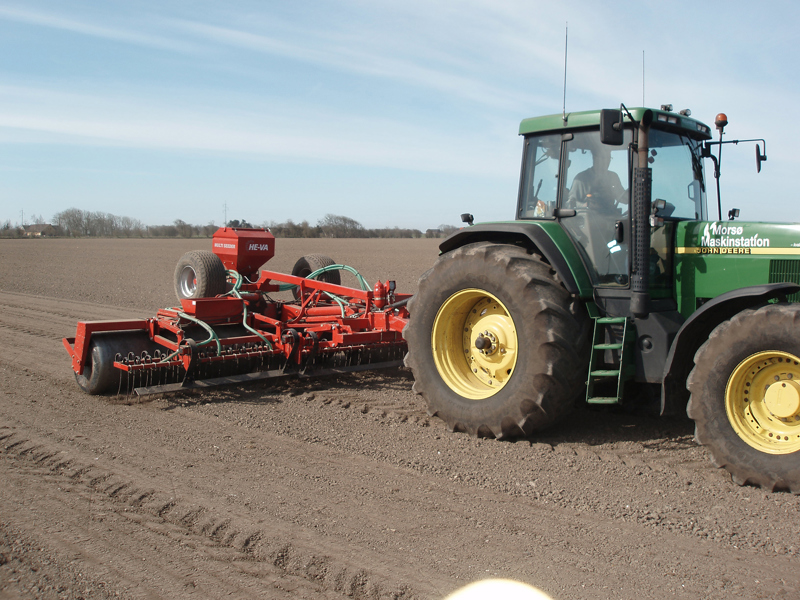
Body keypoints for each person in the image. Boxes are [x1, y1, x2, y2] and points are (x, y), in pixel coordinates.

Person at [567, 147, 627, 213]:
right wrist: (586, 205)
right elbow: (570, 203)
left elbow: (623, 198)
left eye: (609, 158)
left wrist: (633, 193)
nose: (607, 162)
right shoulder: (581, 179)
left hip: (610, 219)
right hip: (588, 220)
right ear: (594, 158)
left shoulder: (613, 177)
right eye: (603, 158)